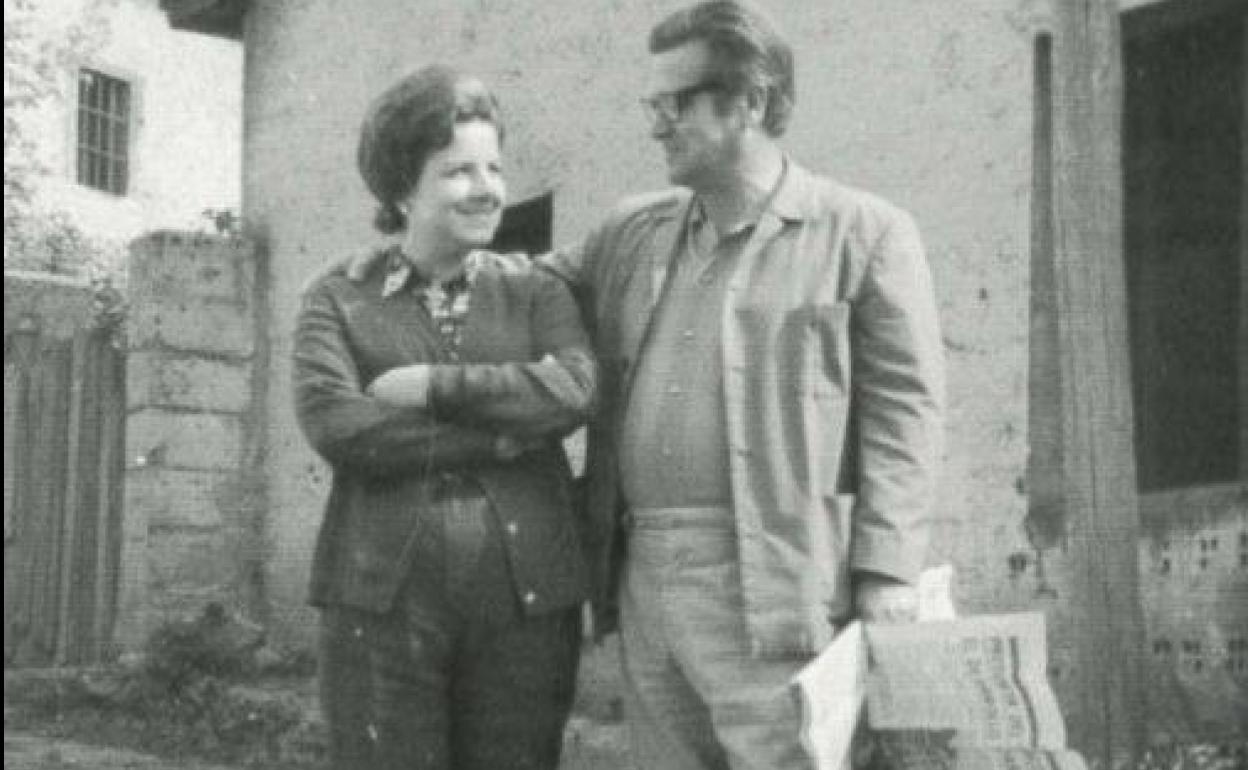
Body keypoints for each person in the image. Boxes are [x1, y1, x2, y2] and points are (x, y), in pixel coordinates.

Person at [540, 2, 946, 769]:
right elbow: (526, 289)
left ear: (750, 102)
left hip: (775, 573)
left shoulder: (862, 233)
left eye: (676, 103)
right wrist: (409, 258)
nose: (656, 124)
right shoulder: (633, 230)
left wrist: (888, 569)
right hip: (644, 568)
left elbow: (906, 412)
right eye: (650, 104)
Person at [291, 66, 595, 770]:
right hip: (379, 600)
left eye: (495, 166)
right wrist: (500, 432)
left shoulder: (535, 289)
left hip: (527, 603)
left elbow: (574, 391)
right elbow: (340, 426)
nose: (487, 187)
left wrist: (435, 385)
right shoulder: (338, 299)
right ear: (402, 188)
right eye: (459, 171)